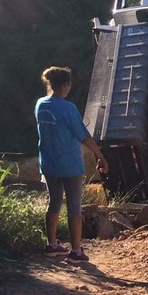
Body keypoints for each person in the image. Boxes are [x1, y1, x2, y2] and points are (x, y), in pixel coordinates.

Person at [36, 66, 109, 263]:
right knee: (74, 207)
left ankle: (51, 246)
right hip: (70, 165)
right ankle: (76, 251)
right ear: (66, 85)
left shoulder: (40, 105)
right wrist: (100, 156)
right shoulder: (68, 108)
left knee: (54, 203)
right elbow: (84, 136)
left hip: (49, 165)